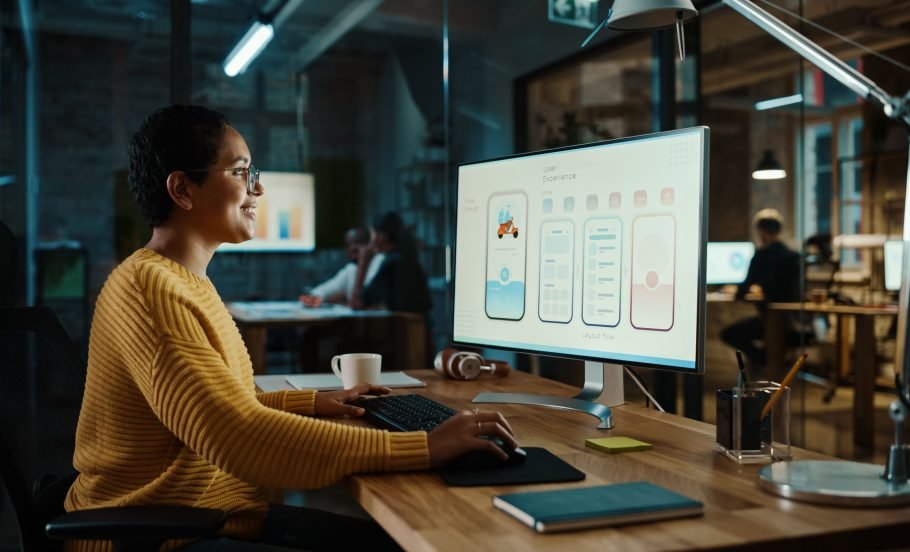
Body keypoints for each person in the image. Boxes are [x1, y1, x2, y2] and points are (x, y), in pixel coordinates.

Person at [64, 105, 517, 552]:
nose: (258, 188)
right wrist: (424, 447)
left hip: (205, 514)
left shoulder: (183, 281)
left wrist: (315, 402)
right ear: (183, 189)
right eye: (242, 172)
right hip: (156, 534)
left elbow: (221, 404)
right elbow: (236, 435)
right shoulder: (149, 288)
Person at [720, 208, 800, 369]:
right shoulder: (793, 256)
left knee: (728, 334)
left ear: (761, 232)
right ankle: (769, 362)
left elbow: (743, 291)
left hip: (770, 322)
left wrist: (733, 291)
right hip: (794, 322)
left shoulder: (762, 256)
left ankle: (764, 360)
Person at [351, 212, 432, 316]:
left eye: (372, 233)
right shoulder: (405, 258)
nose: (370, 240)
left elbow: (356, 303)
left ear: (381, 236)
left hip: (402, 330)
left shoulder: (391, 264)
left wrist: (363, 263)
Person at [299, 227, 385, 307]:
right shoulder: (351, 268)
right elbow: (326, 289)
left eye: (357, 243)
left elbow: (362, 301)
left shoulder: (381, 263)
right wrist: (314, 296)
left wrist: (363, 262)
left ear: (370, 244)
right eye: (348, 245)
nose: (352, 248)